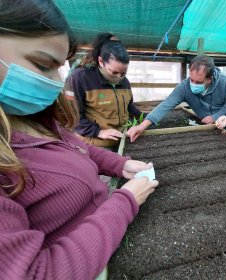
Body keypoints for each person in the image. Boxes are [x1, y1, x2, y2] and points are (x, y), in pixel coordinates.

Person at [0, 1, 158, 279]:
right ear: (101, 61)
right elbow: (33, 272)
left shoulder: (33, 117)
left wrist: (121, 165)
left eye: (58, 68)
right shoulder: (82, 79)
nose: (57, 81)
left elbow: (73, 146)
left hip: (104, 233)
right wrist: (124, 201)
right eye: (42, 64)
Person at [127, 55, 226, 142]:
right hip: (204, 126)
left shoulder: (224, 82)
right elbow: (166, 105)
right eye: (191, 79)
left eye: (199, 82)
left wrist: (215, 116)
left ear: (210, 79)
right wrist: (142, 126)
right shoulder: (184, 87)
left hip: (223, 126)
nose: (193, 84)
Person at [67, 32, 145, 149]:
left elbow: (129, 107)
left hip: (122, 142)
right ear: (100, 61)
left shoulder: (125, 82)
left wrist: (146, 120)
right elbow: (70, 115)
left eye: (123, 73)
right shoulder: (80, 77)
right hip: (94, 146)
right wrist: (99, 132)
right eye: (114, 72)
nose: (119, 77)